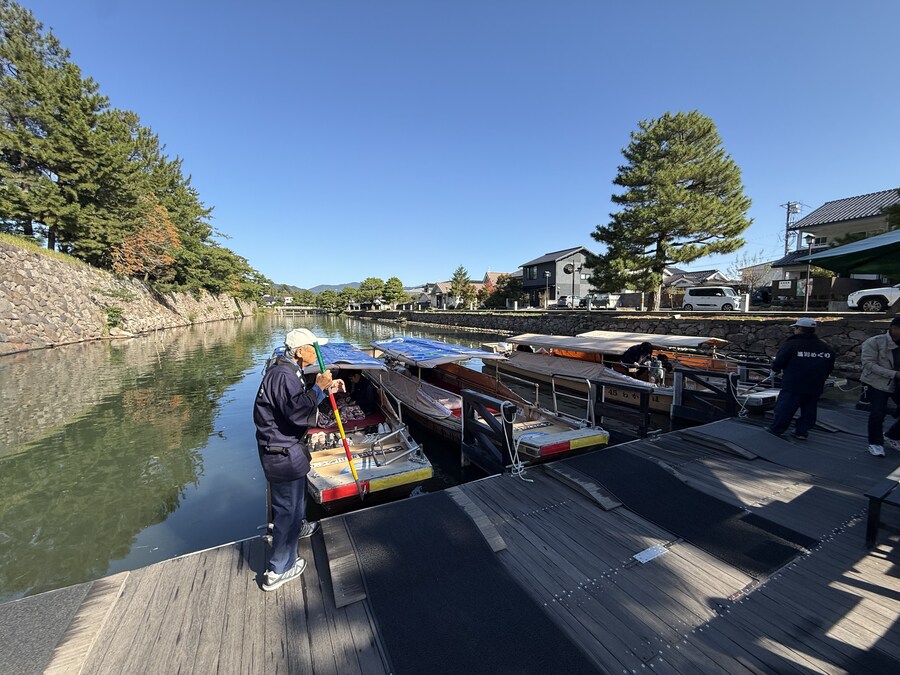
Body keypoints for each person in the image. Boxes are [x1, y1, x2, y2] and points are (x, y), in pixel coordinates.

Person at [253, 328, 343, 591]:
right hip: (281, 452)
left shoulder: (288, 371)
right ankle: (278, 569)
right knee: (286, 510)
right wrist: (318, 386)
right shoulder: (283, 376)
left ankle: (298, 526)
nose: (317, 353)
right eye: (314, 348)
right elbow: (297, 412)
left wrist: (327, 389)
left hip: (286, 450)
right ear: (301, 351)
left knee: (294, 504)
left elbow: (297, 403)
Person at [767, 318, 835, 439]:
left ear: (799, 329)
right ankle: (802, 431)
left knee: (785, 407)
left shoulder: (792, 344)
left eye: (795, 328)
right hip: (816, 384)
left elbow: (780, 361)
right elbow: (830, 366)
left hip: (794, 383)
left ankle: (777, 429)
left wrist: (774, 370)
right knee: (809, 409)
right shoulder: (825, 347)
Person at [860, 316, 900, 457]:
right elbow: (869, 364)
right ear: (894, 328)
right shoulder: (875, 342)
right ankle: (875, 443)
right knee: (878, 413)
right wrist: (894, 374)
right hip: (876, 382)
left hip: (897, 383)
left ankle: (893, 435)